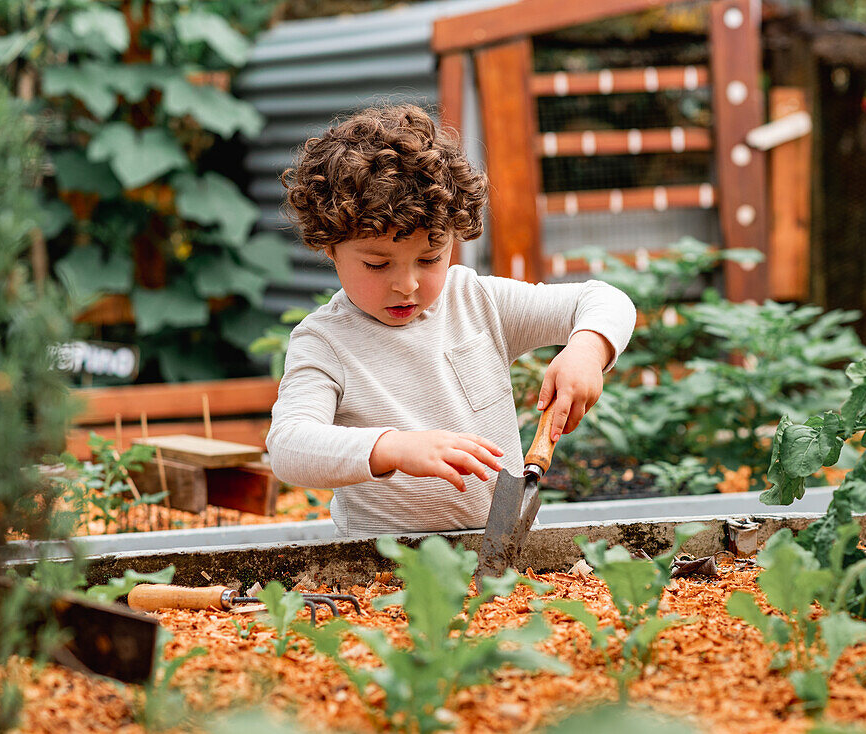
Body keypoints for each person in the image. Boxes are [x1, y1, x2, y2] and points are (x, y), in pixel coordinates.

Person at [267, 105, 636, 539]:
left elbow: (604, 299)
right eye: (376, 265)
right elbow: (289, 446)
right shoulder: (325, 342)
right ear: (330, 249)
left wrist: (587, 349)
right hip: (386, 569)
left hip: (512, 555)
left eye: (429, 259)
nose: (405, 285)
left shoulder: (478, 302)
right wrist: (393, 448)